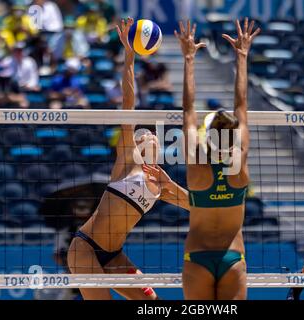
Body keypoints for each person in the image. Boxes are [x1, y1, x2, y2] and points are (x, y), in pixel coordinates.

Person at [67, 18, 190, 300]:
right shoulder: (128, 159)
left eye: (153, 136)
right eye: (144, 135)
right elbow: (128, 103)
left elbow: (198, 207)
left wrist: (171, 185)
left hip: (114, 255)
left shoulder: (159, 184)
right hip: (85, 247)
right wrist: (130, 55)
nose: (150, 137)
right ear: (135, 142)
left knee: (150, 302)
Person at [175, 18, 260, 300]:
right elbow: (242, 105)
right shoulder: (240, 160)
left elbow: (188, 110)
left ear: (207, 135)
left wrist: (189, 58)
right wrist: (242, 55)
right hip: (232, 257)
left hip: (197, 256)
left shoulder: (196, 163)